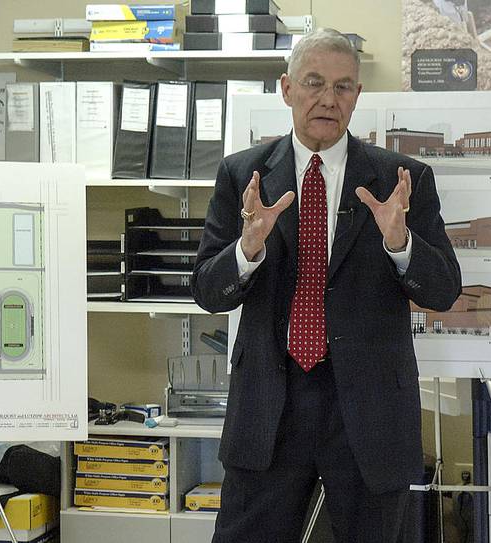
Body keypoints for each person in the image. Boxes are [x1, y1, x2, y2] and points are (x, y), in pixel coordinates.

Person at [192, 28, 461, 542]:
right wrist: (247, 249)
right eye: (314, 83)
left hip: (369, 408)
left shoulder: (403, 179)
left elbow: (444, 291)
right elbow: (207, 291)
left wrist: (401, 242)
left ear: (357, 95)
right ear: (287, 88)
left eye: (342, 87)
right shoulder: (242, 176)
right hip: (271, 404)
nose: (328, 99)